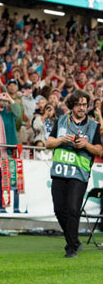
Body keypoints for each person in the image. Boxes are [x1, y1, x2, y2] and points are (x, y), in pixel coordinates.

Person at [46, 90, 102, 258]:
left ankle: (71, 248)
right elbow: (48, 143)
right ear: (72, 105)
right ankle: (75, 241)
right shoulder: (61, 121)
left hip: (79, 173)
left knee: (72, 209)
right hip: (59, 172)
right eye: (78, 104)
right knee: (58, 209)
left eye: (84, 104)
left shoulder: (93, 125)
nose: (82, 108)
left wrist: (85, 145)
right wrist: (62, 140)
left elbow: (99, 150)